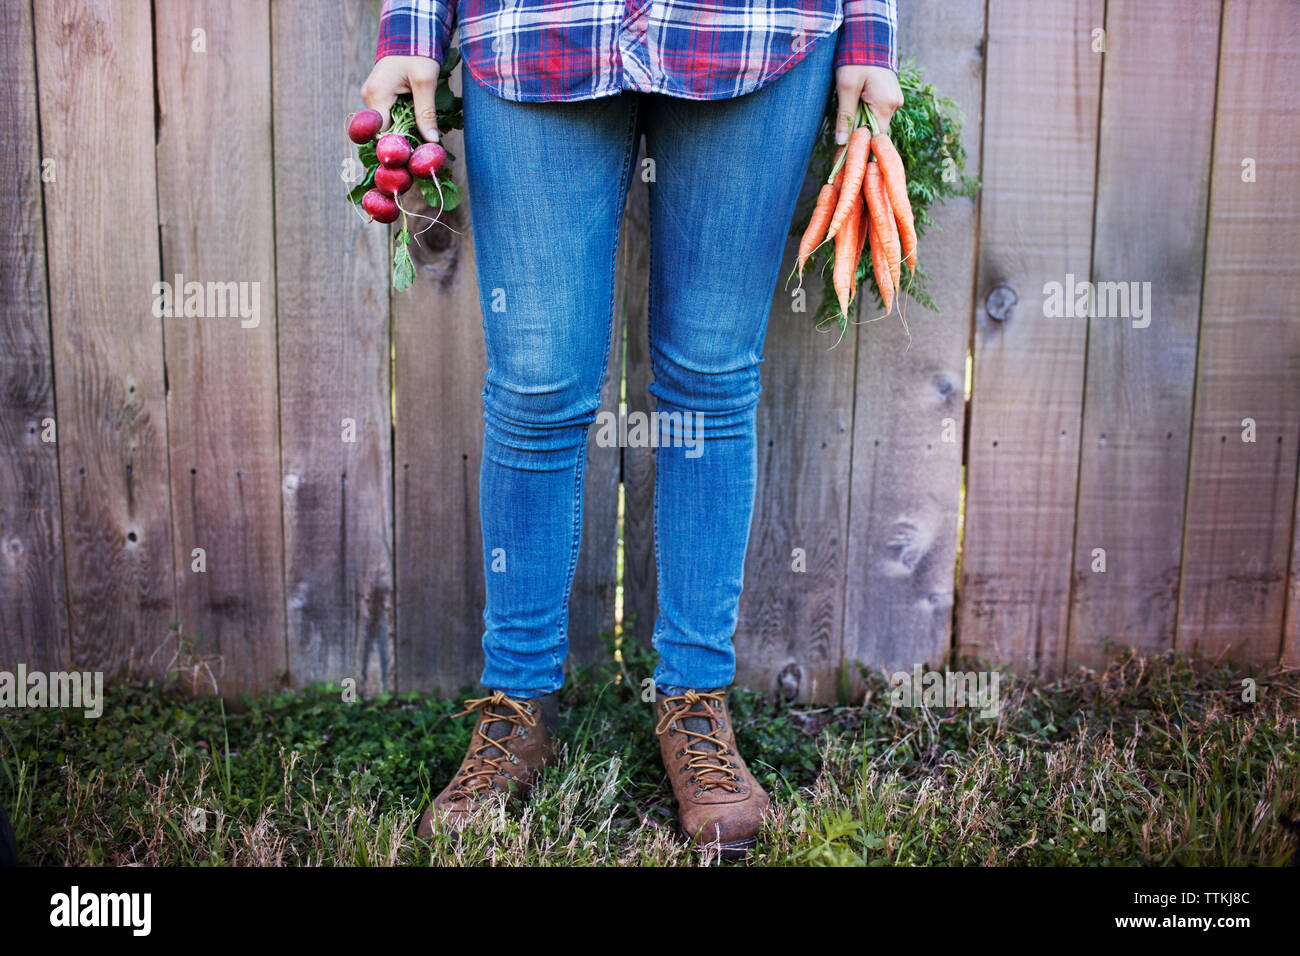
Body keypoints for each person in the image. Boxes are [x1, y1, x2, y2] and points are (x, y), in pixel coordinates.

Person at [361, 0, 901, 855]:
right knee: (534, 389)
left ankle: (694, 700)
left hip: (755, 30)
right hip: (537, 29)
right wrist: (411, 28)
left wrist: (869, 30)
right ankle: (517, 708)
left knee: (712, 383)